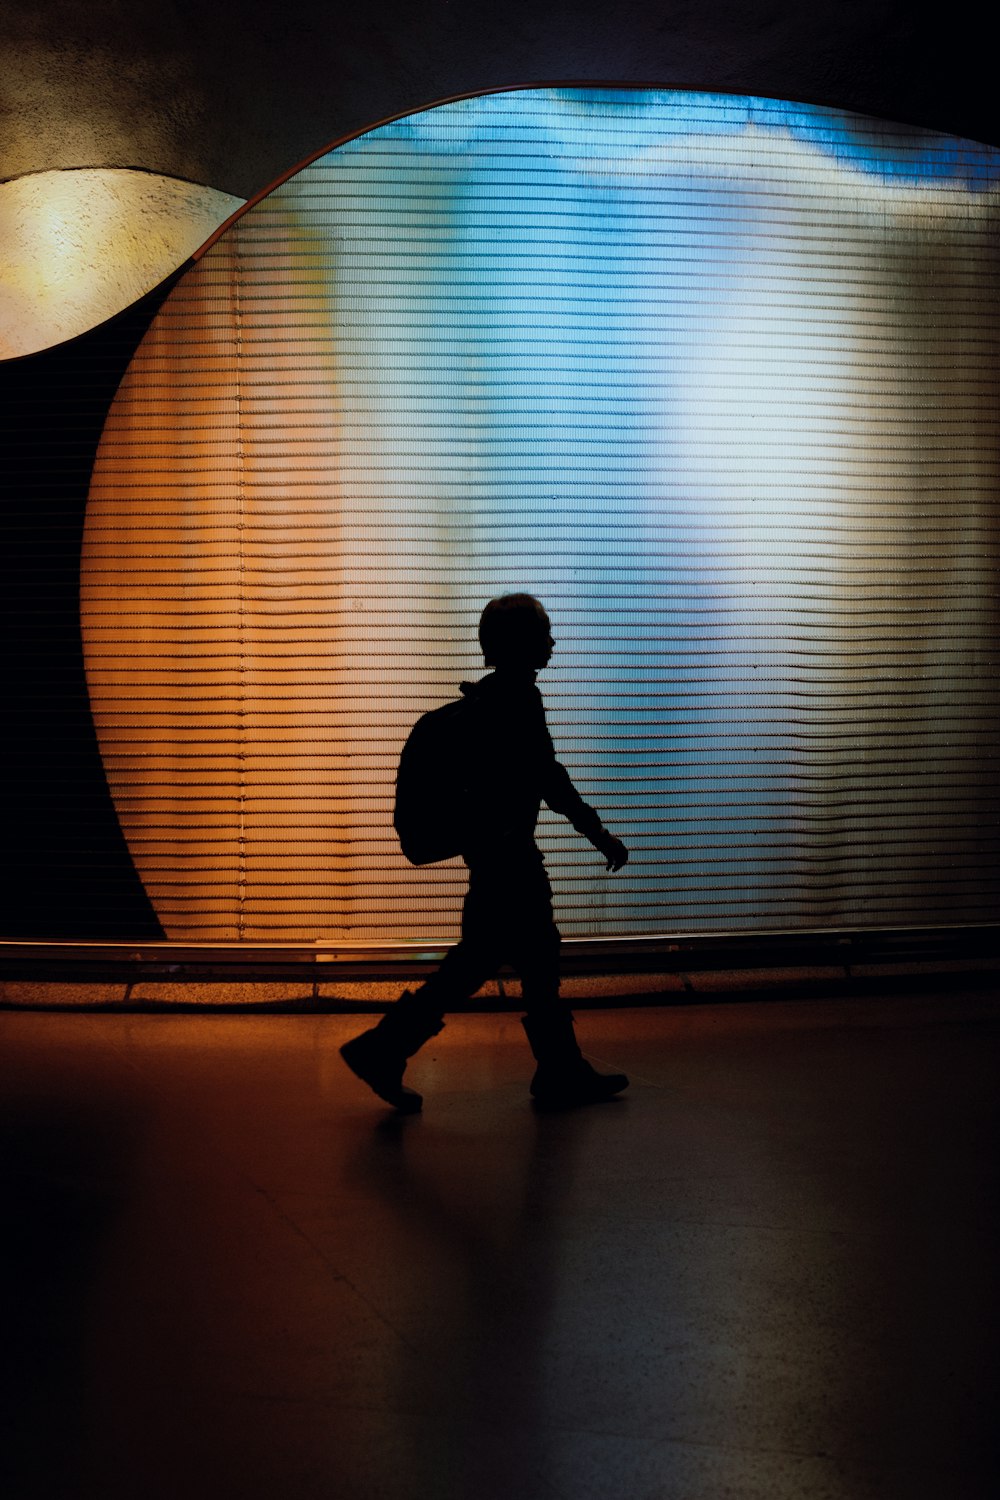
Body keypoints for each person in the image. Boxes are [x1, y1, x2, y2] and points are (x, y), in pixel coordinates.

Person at [340, 593, 629, 1112]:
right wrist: (598, 834)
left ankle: (556, 1067)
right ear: (522, 643)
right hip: (509, 863)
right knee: (494, 965)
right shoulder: (515, 704)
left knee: (520, 960)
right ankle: (385, 1049)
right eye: (544, 632)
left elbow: (542, 779)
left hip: (499, 859)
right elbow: (551, 781)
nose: (552, 641)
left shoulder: (496, 700)